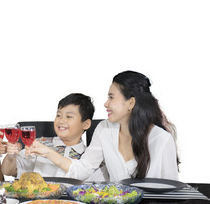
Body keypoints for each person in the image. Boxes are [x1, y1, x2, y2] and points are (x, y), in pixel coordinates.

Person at [36, 71, 179, 181]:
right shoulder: (104, 129)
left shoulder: (162, 139)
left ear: (131, 103)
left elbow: (171, 191)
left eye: (111, 97)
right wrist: (47, 152)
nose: (106, 104)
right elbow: (83, 170)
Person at [1, 93, 107, 180]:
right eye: (58, 115)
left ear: (86, 124)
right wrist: (11, 156)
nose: (61, 121)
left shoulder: (90, 158)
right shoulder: (39, 144)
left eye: (69, 116)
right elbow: (9, 171)